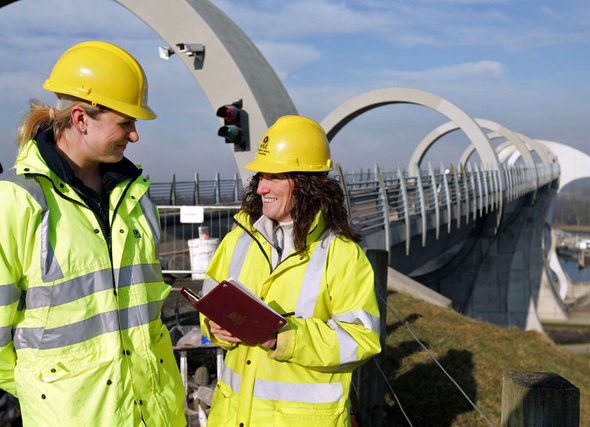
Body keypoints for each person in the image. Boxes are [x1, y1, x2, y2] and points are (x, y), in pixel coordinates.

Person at [0, 41, 185, 426]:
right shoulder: (17, 201)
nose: (134, 136)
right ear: (81, 119)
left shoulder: (135, 194)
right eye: (125, 123)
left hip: (154, 412)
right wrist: (45, 390)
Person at [199, 115, 382, 426]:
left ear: (309, 184)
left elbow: (362, 339)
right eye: (261, 176)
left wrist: (282, 338)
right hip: (231, 417)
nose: (261, 188)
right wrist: (214, 327)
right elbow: (210, 301)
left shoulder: (342, 255)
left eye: (275, 177)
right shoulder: (237, 239)